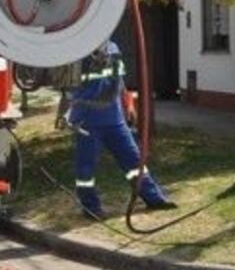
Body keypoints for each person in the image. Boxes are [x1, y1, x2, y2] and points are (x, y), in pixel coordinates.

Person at [60, 40, 175, 219]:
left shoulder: (113, 48)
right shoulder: (76, 51)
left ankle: (153, 198)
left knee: (134, 161)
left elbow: (119, 80)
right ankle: (91, 208)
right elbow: (68, 90)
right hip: (87, 121)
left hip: (115, 119)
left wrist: (128, 103)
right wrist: (66, 114)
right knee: (86, 169)